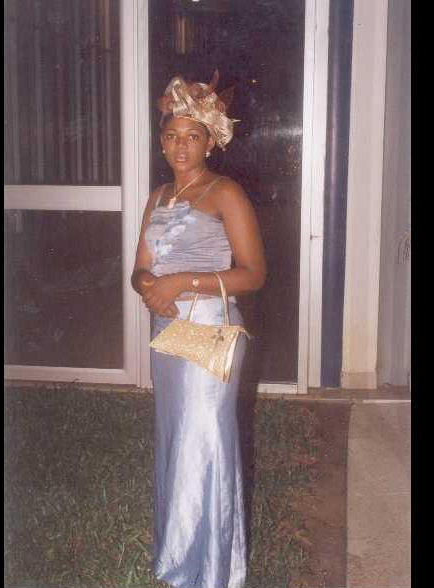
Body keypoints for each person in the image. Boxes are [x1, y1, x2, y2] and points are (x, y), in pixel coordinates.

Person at [131, 70, 266, 588]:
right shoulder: (159, 196)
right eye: (172, 135)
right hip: (168, 331)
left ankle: (212, 570)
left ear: (210, 141)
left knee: (204, 438)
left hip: (210, 330)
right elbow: (140, 268)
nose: (181, 145)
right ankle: (178, 555)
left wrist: (182, 282)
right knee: (175, 436)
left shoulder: (225, 192)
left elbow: (253, 274)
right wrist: (149, 284)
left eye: (192, 135)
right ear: (161, 141)